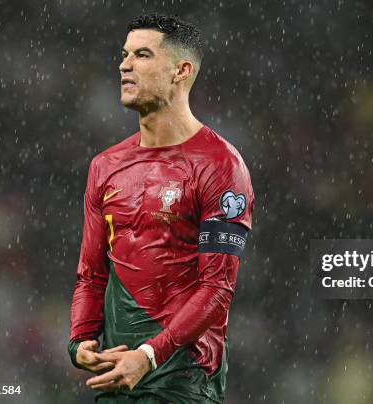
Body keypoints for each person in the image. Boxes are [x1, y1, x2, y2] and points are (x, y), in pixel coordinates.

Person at [67, 13, 254, 403]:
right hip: (117, 380)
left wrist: (149, 356)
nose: (124, 64)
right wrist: (81, 341)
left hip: (183, 383)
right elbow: (91, 274)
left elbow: (217, 289)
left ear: (180, 71)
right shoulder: (104, 166)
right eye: (124, 54)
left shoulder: (221, 166)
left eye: (142, 54)